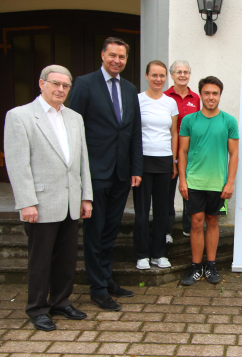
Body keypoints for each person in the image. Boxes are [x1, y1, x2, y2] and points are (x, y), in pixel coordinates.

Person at [4, 65, 93, 331]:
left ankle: (61, 301)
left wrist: (85, 196)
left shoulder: (74, 117)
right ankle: (37, 308)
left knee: (66, 258)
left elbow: (81, 161)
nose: (60, 90)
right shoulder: (20, 116)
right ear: (41, 83)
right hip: (40, 202)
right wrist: (26, 202)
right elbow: (18, 164)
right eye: (55, 84)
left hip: (70, 201)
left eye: (65, 86)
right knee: (40, 260)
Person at [69, 37, 143, 311]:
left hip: (122, 174)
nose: (117, 60)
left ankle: (107, 278)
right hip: (95, 173)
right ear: (102, 55)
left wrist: (136, 168)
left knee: (110, 231)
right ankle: (97, 288)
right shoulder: (84, 84)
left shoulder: (129, 88)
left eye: (122, 57)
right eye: (112, 55)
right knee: (94, 231)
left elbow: (134, 131)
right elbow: (72, 129)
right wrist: (78, 172)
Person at [178, 76, 239, 286]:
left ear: (220, 95)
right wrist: (183, 181)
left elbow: (234, 154)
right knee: (196, 223)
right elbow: (182, 152)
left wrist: (230, 182)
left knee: (213, 222)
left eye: (215, 93)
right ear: (200, 95)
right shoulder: (189, 121)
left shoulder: (229, 121)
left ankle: (210, 265)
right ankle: (196, 267)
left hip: (218, 183)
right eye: (207, 93)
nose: (211, 97)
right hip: (194, 181)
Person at [134, 60, 178, 270]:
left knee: (162, 210)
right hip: (143, 161)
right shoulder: (137, 100)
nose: (158, 80)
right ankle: (142, 254)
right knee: (142, 211)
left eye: (162, 76)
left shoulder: (170, 103)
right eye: (154, 75)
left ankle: (158, 254)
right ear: (146, 76)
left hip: (164, 161)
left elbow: (174, 133)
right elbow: (133, 133)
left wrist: (174, 161)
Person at [163, 60, 201, 243]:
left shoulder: (196, 98)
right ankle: (166, 230)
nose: (182, 75)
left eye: (186, 71)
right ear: (172, 75)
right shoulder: (164, 97)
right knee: (167, 192)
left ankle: (189, 227)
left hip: (190, 152)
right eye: (178, 72)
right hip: (168, 151)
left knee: (189, 192)